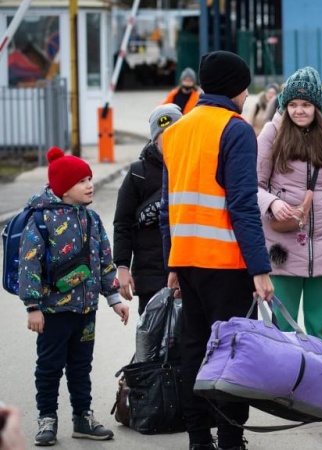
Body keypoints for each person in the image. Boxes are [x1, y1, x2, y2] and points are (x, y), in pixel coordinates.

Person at [159, 50, 274, 450]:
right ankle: (230, 438)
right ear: (238, 88)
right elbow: (243, 203)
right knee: (231, 352)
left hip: (188, 260)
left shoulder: (176, 130)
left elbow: (168, 205)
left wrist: (172, 260)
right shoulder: (236, 128)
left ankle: (197, 439)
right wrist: (259, 268)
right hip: (226, 262)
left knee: (193, 348)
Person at [256, 66, 322, 418]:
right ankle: (285, 389)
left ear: (318, 106)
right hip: (281, 248)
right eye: (293, 104)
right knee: (284, 326)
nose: (299, 110)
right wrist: (271, 202)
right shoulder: (271, 134)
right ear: (285, 105)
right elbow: (249, 186)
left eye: (306, 104)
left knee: (320, 326)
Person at [19, 147, 130, 446]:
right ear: (64, 190)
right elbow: (29, 264)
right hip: (53, 311)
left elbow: (104, 263)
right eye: (81, 181)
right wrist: (33, 307)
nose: (90, 185)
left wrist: (114, 299)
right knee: (50, 366)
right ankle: (47, 419)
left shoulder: (92, 220)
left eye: (90, 179)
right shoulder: (40, 220)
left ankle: (83, 417)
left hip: (86, 311)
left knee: (81, 366)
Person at [113, 103, 182, 314]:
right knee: (152, 339)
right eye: (164, 133)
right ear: (154, 138)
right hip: (150, 273)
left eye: (176, 131)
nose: (171, 137)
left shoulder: (192, 167)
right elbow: (122, 223)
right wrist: (122, 266)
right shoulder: (138, 174)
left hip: (188, 270)